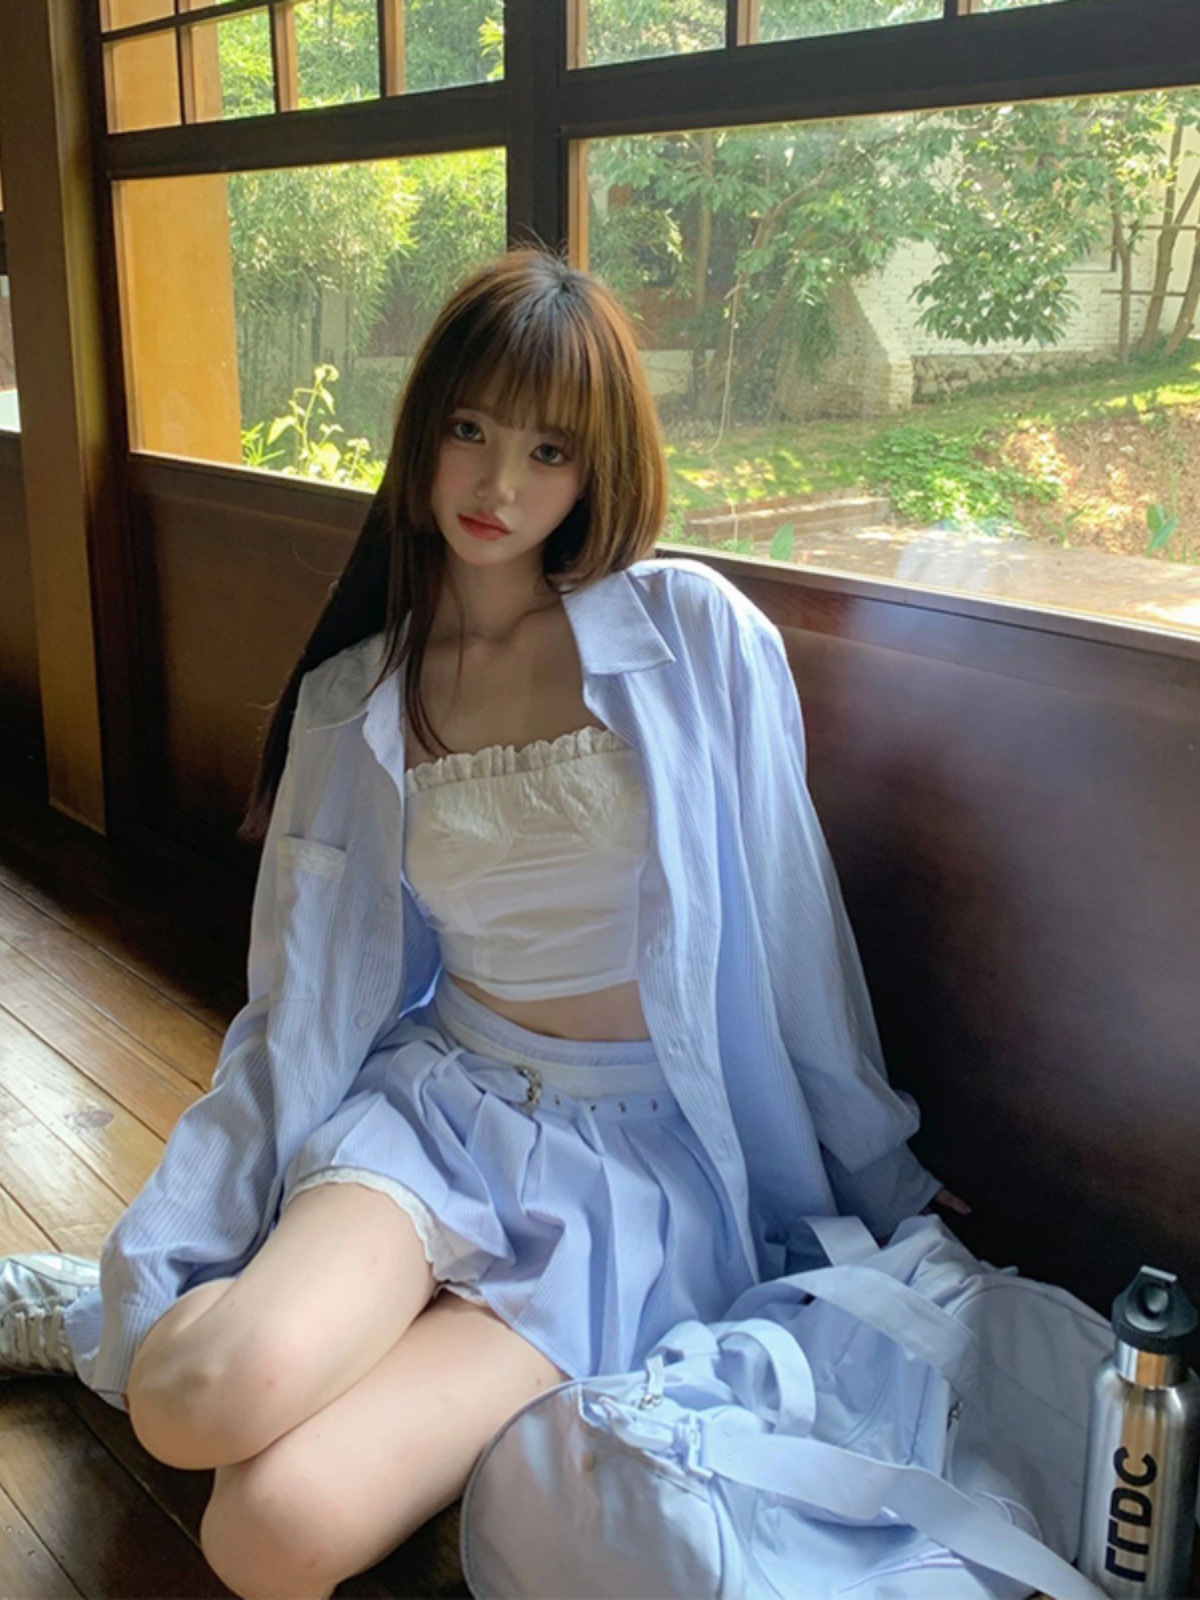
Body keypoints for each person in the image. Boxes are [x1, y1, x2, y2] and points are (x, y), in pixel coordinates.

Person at [0, 246, 965, 1599]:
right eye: (470, 430)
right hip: (439, 1113)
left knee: (265, 1540)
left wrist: (883, 1185)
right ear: (423, 433)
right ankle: (121, 1308)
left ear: (596, 469)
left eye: (548, 450)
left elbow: (794, 936)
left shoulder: (695, 638)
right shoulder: (357, 698)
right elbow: (296, 1005)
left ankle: (423, 1386)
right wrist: (160, 1261)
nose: (499, 485)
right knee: (184, 1398)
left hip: (629, 1179)